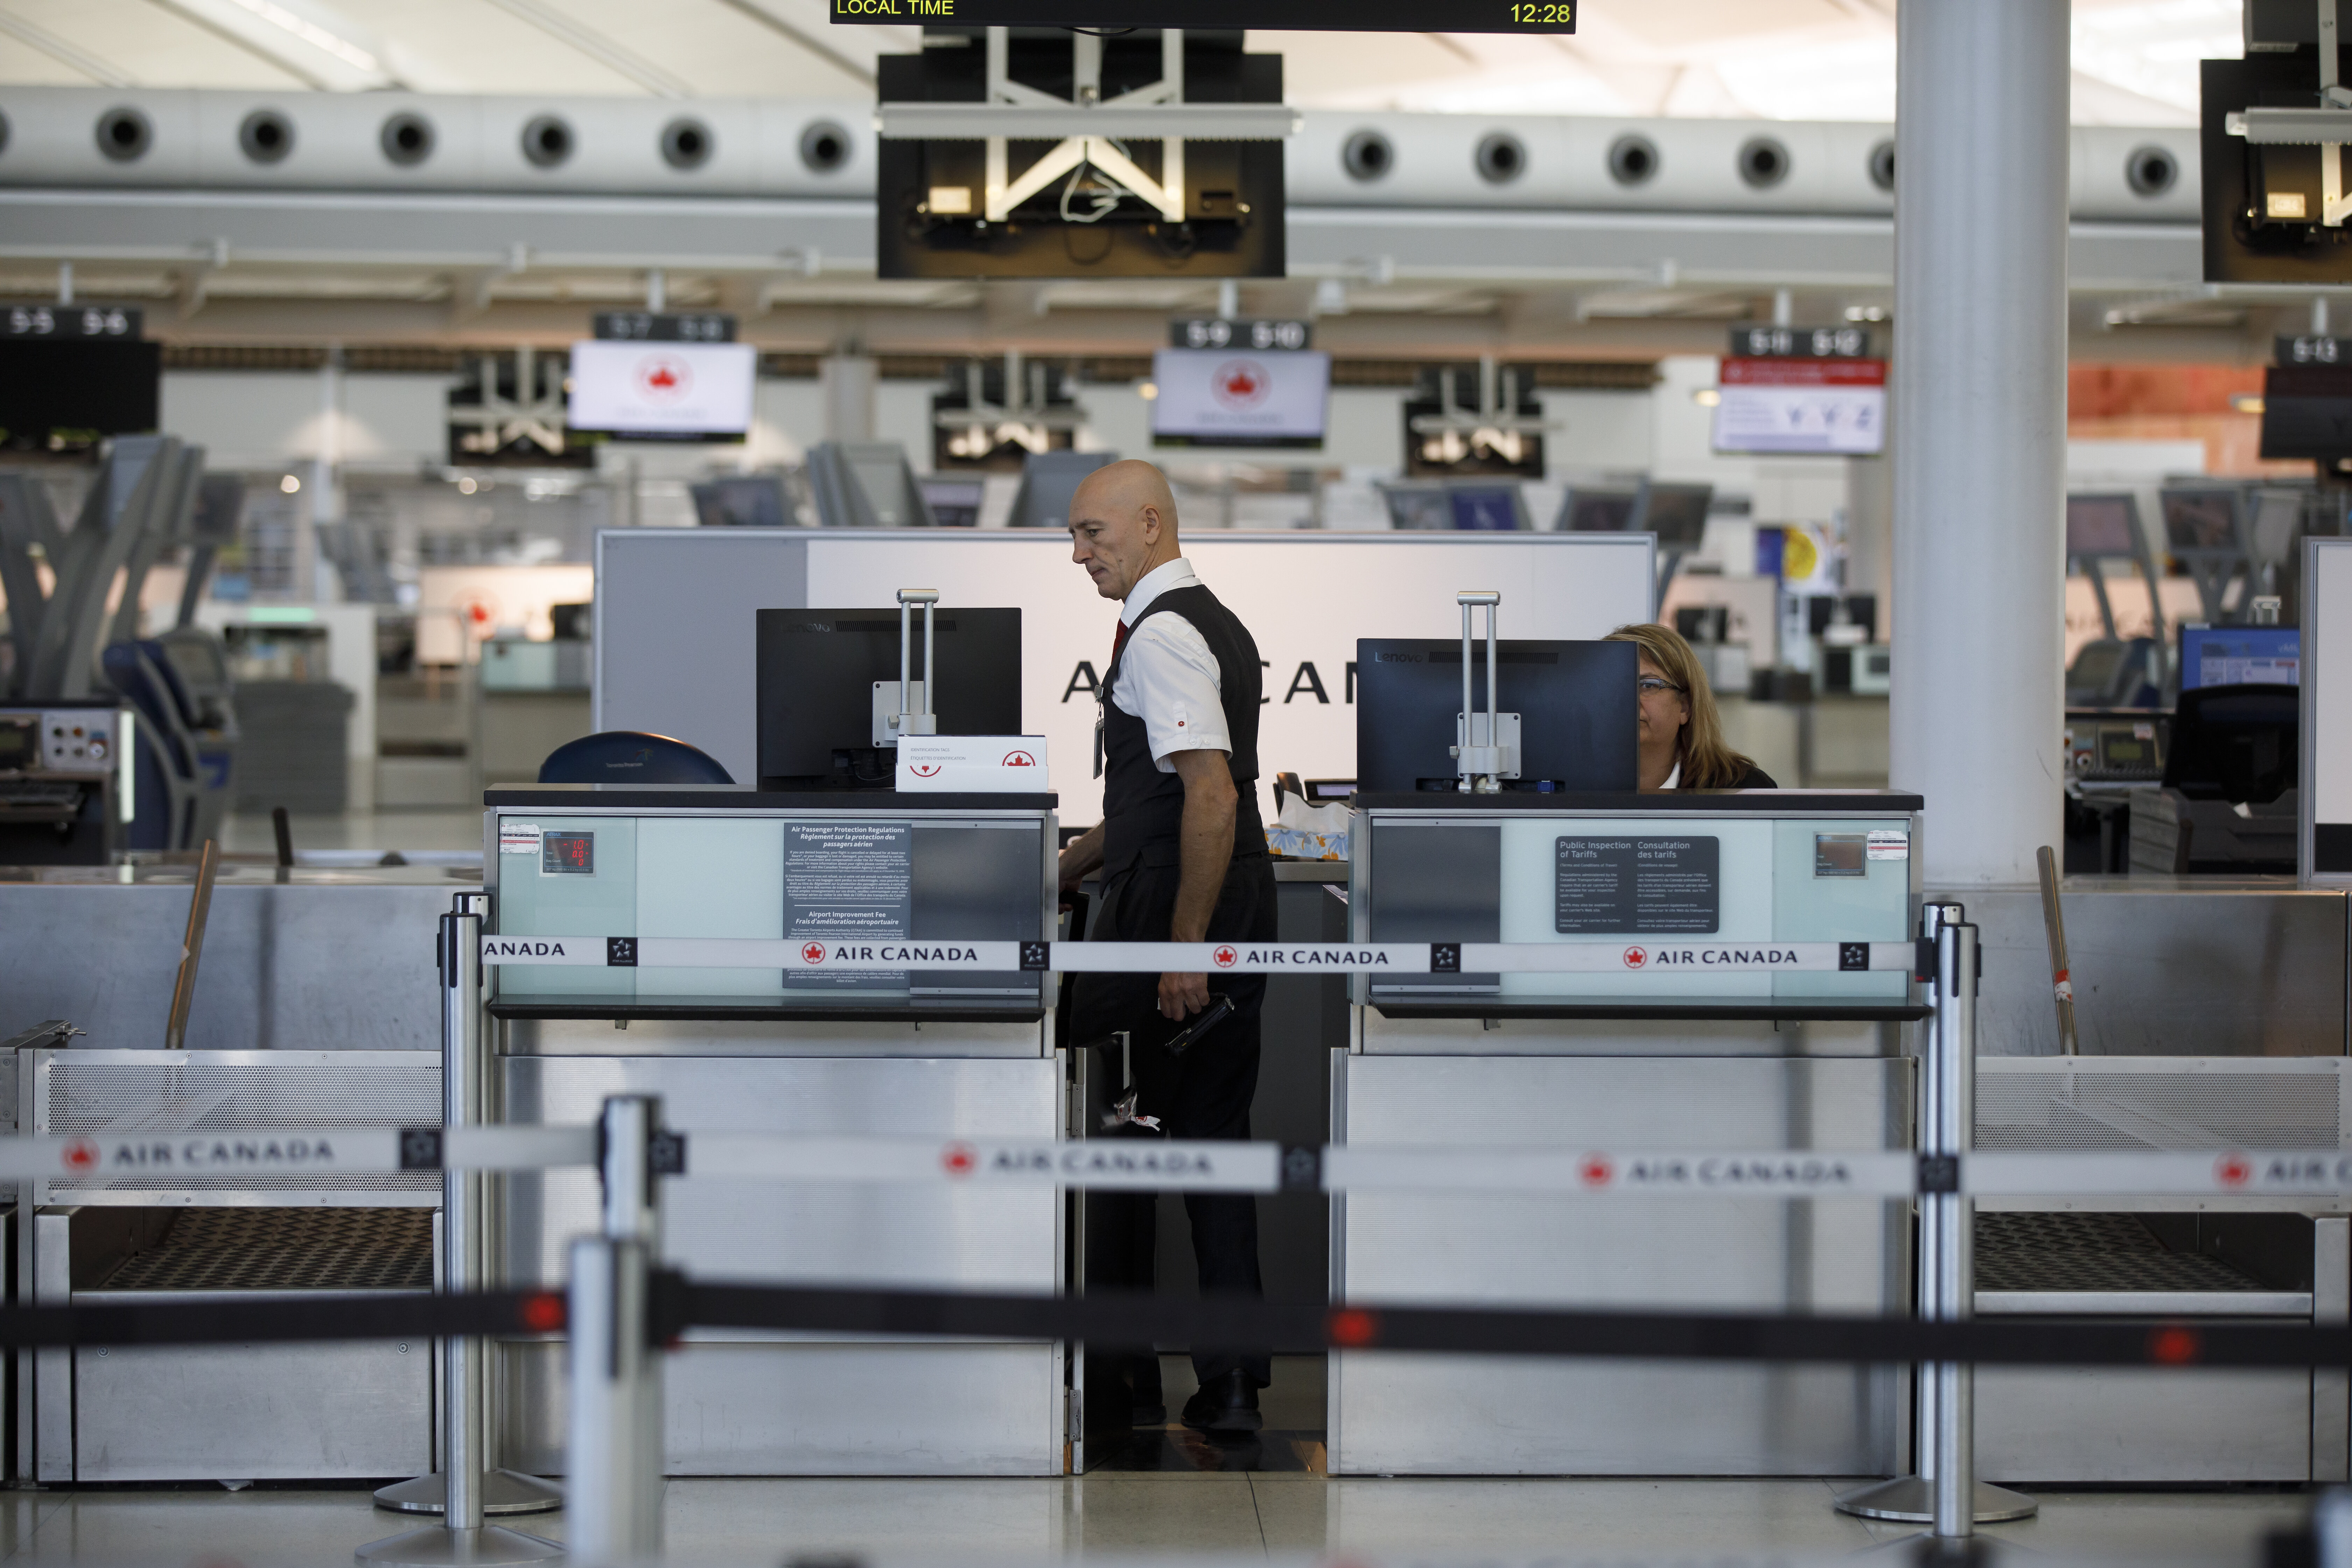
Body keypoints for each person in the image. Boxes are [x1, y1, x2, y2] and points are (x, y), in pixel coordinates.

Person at [1058, 458, 1277, 1434]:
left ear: (1150, 524)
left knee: (1129, 1141)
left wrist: (1186, 948)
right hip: (1212, 902)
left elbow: (1211, 794)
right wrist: (1060, 872)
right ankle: (1218, 1382)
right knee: (1205, 1145)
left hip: (1180, 922)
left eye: (1092, 535)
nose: (1079, 554)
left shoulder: (1167, 633)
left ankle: (1128, 1374)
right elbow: (1148, 804)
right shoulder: (1207, 621)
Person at [1605, 622, 1777, 790]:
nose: (1626, 700)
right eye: (1612, 686)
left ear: (1685, 707)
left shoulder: (1744, 789)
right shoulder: (1578, 787)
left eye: (1648, 685)